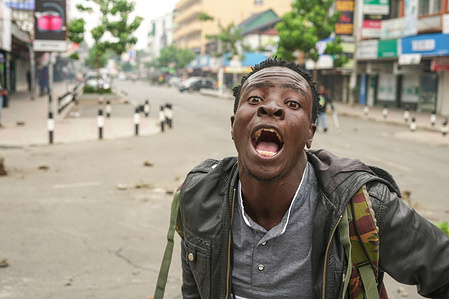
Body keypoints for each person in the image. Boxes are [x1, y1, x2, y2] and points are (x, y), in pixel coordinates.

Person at [166, 58, 449, 298]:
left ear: (310, 133)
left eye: (292, 103)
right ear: (233, 125)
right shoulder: (198, 196)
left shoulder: (363, 205)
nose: (271, 108)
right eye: (255, 99)